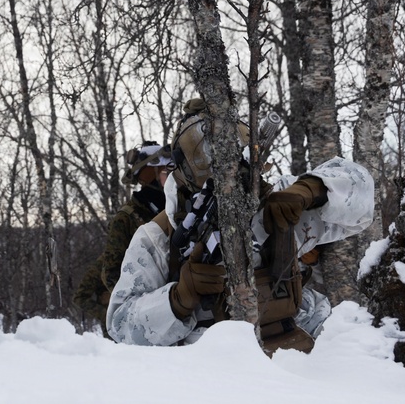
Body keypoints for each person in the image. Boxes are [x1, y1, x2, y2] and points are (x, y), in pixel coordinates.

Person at [106, 98, 374, 350]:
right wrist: (177, 300)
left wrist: (313, 189)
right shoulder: (157, 238)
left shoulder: (277, 200)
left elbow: (361, 198)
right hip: (215, 362)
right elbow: (120, 326)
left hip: (304, 339)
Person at [73, 141, 173, 336]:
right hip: (142, 319)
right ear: (150, 174)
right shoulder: (127, 218)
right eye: (164, 172)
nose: (170, 178)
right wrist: (127, 311)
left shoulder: (175, 208)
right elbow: (111, 273)